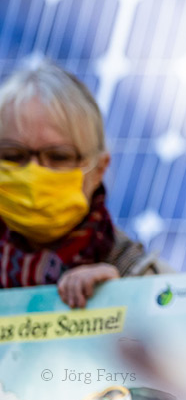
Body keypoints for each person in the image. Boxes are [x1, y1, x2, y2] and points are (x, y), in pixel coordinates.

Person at [0, 61, 165, 308]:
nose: (34, 172)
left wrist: (123, 305)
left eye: (58, 157)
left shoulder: (137, 273)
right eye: (13, 155)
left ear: (99, 169)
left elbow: (175, 344)